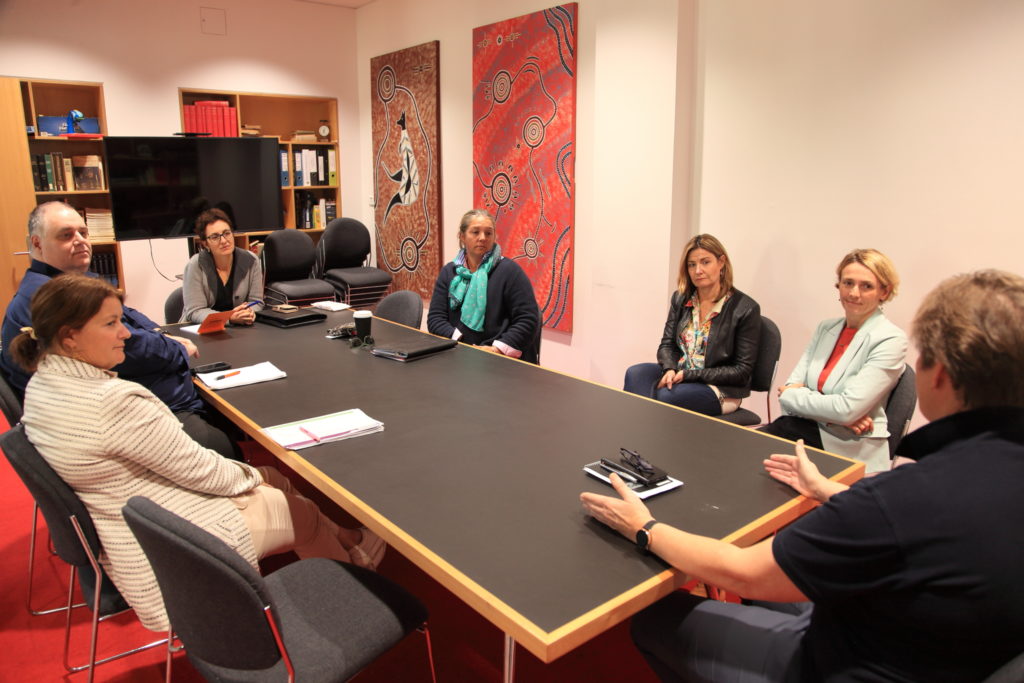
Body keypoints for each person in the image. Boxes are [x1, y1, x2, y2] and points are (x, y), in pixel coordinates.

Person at [580, 269, 1024, 682]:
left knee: (657, 619)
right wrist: (828, 490)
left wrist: (645, 527)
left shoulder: (907, 497)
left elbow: (746, 572)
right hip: (935, 645)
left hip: (839, 662)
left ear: (941, 375)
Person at [12, 274, 386, 632]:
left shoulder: (42, 386)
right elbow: (206, 473)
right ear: (70, 338)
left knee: (275, 479)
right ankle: (352, 608)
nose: (125, 332)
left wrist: (260, 478)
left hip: (130, 519)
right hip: (164, 545)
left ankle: (349, 542)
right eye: (111, 324)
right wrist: (252, 477)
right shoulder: (113, 402)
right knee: (297, 510)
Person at [0, 201, 241, 460]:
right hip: (117, 425)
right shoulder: (52, 297)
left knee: (233, 417)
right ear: (36, 244)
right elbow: (130, 349)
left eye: (83, 232)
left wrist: (165, 336)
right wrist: (176, 348)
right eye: (67, 235)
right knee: (225, 446)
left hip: (138, 404)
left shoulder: (76, 281)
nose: (81, 241)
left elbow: (132, 318)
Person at [760, 248, 906, 473]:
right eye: (848, 283)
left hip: (848, 448)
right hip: (804, 430)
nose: (854, 293)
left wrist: (839, 414)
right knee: (747, 450)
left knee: (756, 456)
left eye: (866, 286)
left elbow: (846, 409)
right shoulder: (826, 328)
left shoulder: (890, 339)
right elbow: (786, 395)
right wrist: (835, 415)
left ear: (884, 292)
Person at [623, 234, 761, 416]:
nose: (698, 270)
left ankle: (648, 438)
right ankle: (637, 438)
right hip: (681, 374)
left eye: (705, 262)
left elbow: (741, 371)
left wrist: (689, 376)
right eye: (692, 264)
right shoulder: (681, 299)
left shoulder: (745, 309)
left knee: (666, 397)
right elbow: (667, 345)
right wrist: (670, 368)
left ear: (721, 263)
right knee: (636, 374)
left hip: (720, 389)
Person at [427, 209, 541, 363]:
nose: (482, 238)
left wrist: (497, 349)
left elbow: (528, 319)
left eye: (488, 233)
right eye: (475, 232)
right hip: (459, 356)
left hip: (500, 360)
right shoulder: (449, 272)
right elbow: (435, 319)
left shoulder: (510, 271)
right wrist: (460, 341)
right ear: (462, 236)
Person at [180, 208, 264, 324]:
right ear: (205, 243)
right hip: (201, 329)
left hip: (240, 329)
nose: (224, 241)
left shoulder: (251, 260)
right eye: (215, 237)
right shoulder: (195, 265)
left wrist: (248, 312)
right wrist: (229, 318)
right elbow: (195, 311)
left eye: (227, 233)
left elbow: (257, 302)